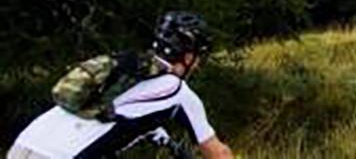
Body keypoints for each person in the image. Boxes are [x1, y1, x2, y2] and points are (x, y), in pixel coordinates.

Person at [8, 11, 233, 159]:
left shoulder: (126, 70)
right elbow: (218, 154)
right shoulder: (178, 91)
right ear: (188, 56)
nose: (198, 65)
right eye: (198, 57)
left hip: (24, 144)